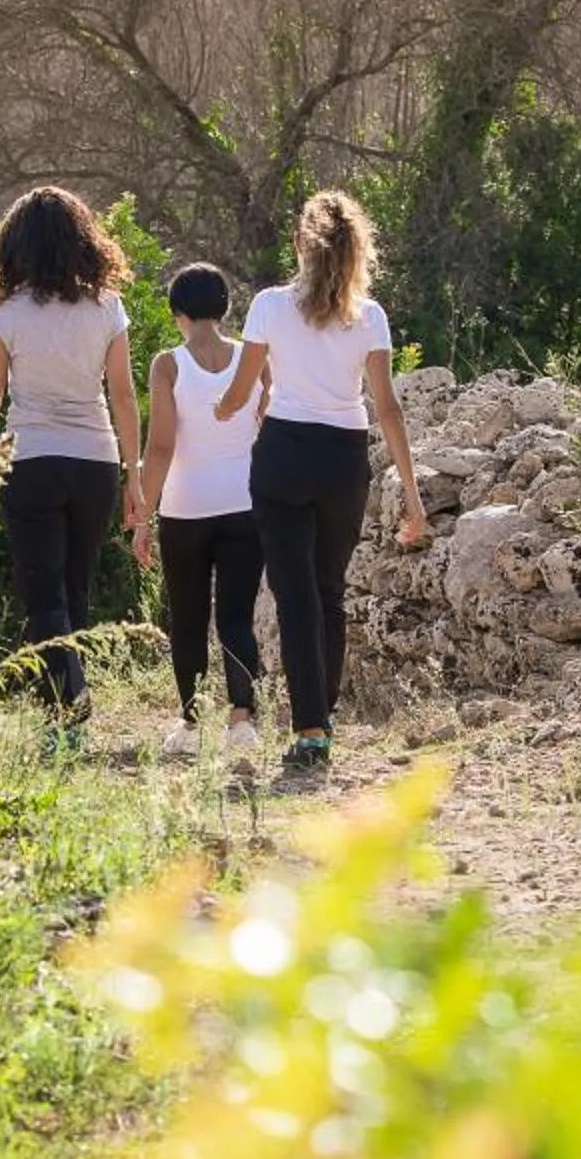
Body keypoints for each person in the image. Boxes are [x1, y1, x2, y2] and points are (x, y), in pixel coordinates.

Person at [213, 189, 428, 775]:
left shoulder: (268, 306)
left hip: (283, 452)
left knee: (295, 595)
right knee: (328, 589)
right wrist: (412, 498)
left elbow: (244, 389)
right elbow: (387, 408)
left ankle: (312, 727)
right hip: (343, 459)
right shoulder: (371, 316)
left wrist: (222, 411)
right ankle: (319, 722)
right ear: (359, 250)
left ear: (300, 246)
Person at [0, 187, 146, 741]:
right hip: (95, 460)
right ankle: (68, 705)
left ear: (14, 245)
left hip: (31, 459)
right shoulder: (107, 307)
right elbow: (125, 397)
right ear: (83, 239)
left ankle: (67, 716)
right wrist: (134, 473)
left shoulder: (6, 313)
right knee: (75, 589)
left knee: (44, 594)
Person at [132, 264, 267, 758]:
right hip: (245, 504)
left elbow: (162, 446)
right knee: (236, 616)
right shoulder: (256, 359)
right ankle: (242, 721)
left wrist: (143, 517)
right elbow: (265, 424)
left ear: (178, 315)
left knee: (187, 618)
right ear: (225, 308)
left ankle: (190, 727)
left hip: (185, 509)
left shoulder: (168, 365)